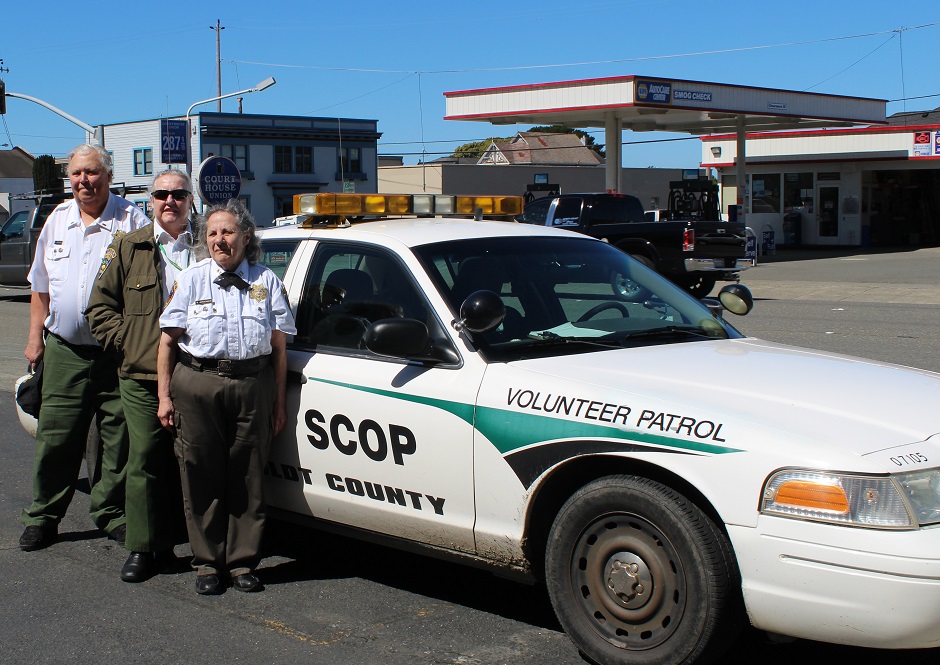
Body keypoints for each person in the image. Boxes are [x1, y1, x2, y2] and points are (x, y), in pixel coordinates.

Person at [156, 200, 295, 595]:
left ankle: (242, 562)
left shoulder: (266, 280)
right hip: (198, 384)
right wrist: (164, 398)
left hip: (253, 385)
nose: (220, 239)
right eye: (213, 233)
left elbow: (280, 349)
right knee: (200, 473)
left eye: (228, 231)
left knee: (249, 476)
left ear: (246, 237)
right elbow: (166, 344)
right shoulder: (191, 279)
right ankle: (206, 563)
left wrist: (279, 403)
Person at [19, 143, 150, 551]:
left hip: (117, 354)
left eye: (92, 172)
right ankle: (43, 516)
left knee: (118, 441)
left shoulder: (132, 221)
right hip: (64, 350)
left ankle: (110, 513)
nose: (83, 181)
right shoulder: (57, 221)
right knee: (57, 439)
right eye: (77, 174)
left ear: (108, 177)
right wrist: (33, 339)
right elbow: (39, 287)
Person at [86, 169, 194, 582]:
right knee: (145, 457)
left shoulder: (206, 246)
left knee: (191, 460)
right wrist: (128, 344)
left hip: (195, 372)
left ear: (189, 200)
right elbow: (99, 307)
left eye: (178, 194)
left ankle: (196, 545)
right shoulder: (128, 247)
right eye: (162, 194)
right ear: (151, 201)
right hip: (142, 374)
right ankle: (145, 548)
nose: (170, 201)